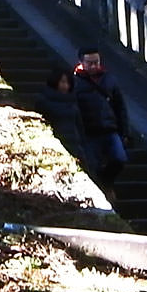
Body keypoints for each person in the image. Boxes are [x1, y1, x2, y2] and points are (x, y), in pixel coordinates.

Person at [72, 47, 129, 199]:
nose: (93, 66)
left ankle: (106, 183)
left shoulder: (109, 79)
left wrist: (125, 131)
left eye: (96, 62)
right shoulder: (75, 82)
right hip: (89, 132)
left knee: (120, 158)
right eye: (89, 63)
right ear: (81, 62)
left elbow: (120, 106)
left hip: (110, 129)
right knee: (93, 166)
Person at [37, 66, 82, 153]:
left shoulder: (72, 101)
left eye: (68, 83)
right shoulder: (44, 100)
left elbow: (79, 126)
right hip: (56, 142)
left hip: (74, 142)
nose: (66, 86)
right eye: (63, 82)